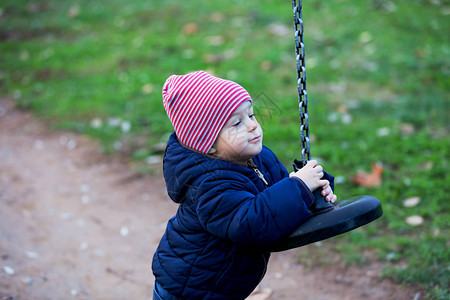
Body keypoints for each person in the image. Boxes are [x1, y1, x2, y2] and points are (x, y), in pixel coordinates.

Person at [152, 71, 336, 299]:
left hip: (221, 288)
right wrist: (297, 187)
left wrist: (312, 189)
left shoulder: (260, 158)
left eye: (251, 115)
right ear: (208, 146)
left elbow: (277, 203)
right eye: (237, 123)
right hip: (189, 291)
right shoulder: (209, 184)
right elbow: (252, 222)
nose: (252, 126)